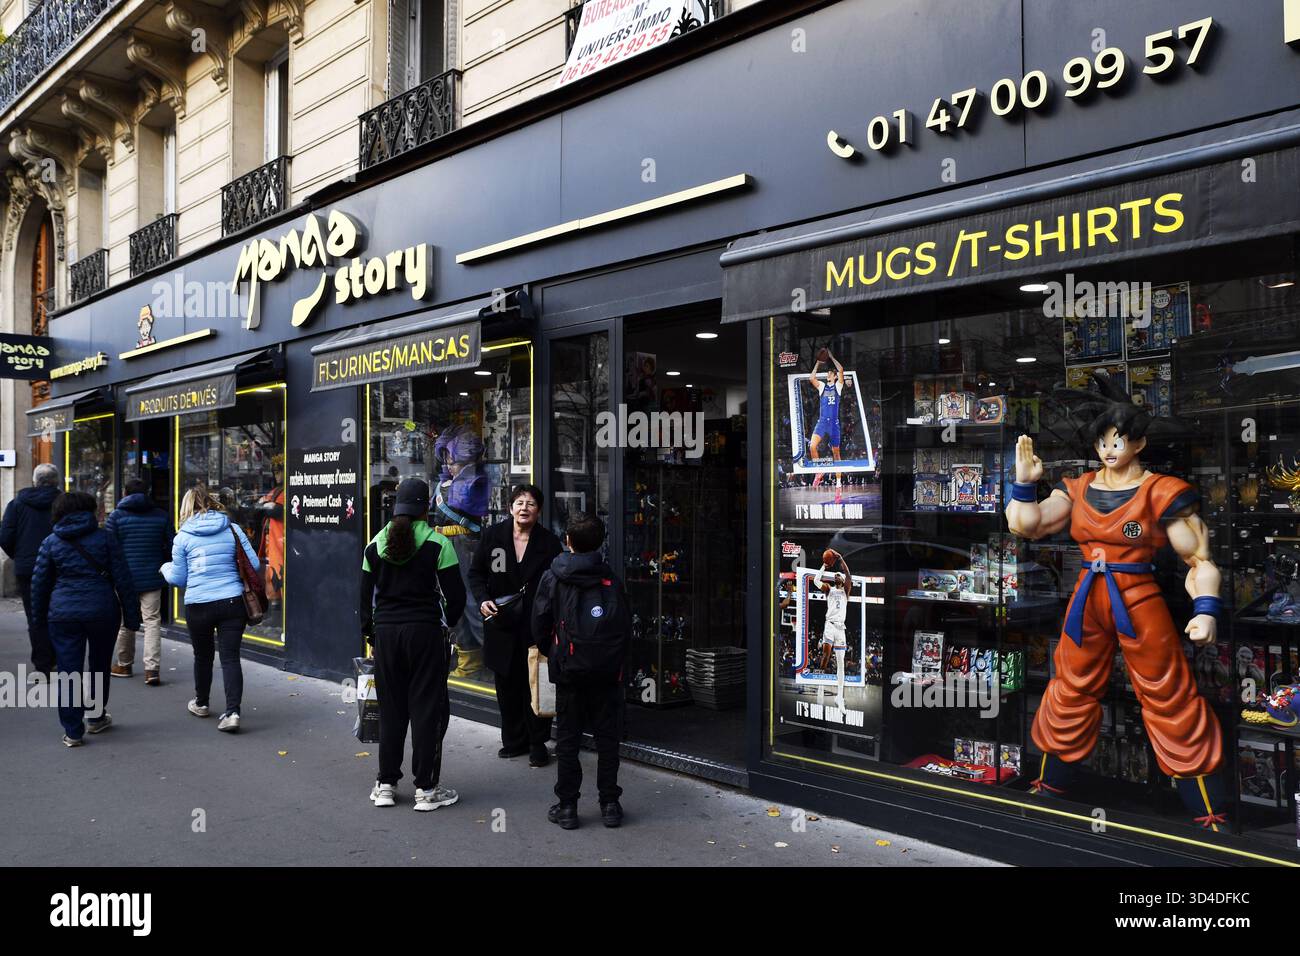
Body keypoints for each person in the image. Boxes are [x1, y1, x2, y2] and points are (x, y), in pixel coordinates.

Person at [1006, 370, 1228, 830]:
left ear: (1139, 443)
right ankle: (1049, 788)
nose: (1108, 450)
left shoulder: (1161, 491)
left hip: (1139, 597)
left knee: (1168, 693)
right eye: (1102, 441)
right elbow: (1026, 525)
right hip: (1089, 598)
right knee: (1069, 687)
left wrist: (1205, 611)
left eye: (1118, 440)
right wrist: (1024, 484)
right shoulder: (1079, 488)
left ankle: (1210, 811)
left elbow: (1199, 560)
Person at [360, 478, 466, 811]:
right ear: (426, 507)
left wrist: (372, 636)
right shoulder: (438, 544)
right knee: (426, 710)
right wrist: (445, 623)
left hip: (387, 636)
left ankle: (386, 784)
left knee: (391, 710)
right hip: (425, 634)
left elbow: (364, 603)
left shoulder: (374, 545)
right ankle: (426, 790)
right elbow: (458, 597)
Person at [533, 513, 631, 830]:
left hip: (570, 671)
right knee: (607, 739)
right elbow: (627, 626)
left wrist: (557, 653)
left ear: (568, 542)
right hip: (607, 672)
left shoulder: (554, 576)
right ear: (601, 543)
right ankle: (610, 804)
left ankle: (567, 807)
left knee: (568, 740)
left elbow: (539, 622)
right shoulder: (611, 578)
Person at [29, 491, 140, 746]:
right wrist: (132, 618)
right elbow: (123, 580)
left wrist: (38, 621)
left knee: (69, 670)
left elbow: (39, 585)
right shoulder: (105, 539)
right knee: (100, 665)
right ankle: (96, 716)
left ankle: (72, 731)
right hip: (102, 610)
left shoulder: (51, 542)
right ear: (91, 511)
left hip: (63, 614)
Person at [469, 484, 564, 766]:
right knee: (507, 685)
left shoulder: (549, 543)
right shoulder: (493, 536)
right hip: (501, 622)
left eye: (531, 503)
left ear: (539, 510)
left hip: (536, 624)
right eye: (519, 502)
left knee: (535, 685)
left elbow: (558, 583)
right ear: (510, 507)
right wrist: (483, 598)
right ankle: (513, 741)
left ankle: (538, 743)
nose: (524, 508)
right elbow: (476, 574)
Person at [163, 484, 260, 733]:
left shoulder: (182, 536)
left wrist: (164, 569)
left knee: (202, 656)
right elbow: (255, 565)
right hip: (232, 601)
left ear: (186, 507)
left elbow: (179, 579)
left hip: (198, 604)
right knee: (230, 658)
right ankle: (233, 712)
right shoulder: (232, 528)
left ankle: (202, 703)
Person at [105, 478, 173, 684]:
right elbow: (171, 545)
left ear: (125, 493)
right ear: (148, 492)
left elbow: (108, 549)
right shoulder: (161, 516)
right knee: (152, 620)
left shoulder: (116, 516)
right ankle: (152, 670)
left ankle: (124, 665)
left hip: (124, 578)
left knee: (126, 621)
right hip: (152, 576)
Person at [0, 463, 61, 681]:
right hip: (59, 566)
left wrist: (20, 556)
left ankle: (42, 664)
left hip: (28, 568)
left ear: (35, 481)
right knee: (59, 613)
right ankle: (59, 658)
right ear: (56, 481)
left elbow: (5, 536)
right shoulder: (63, 502)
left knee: (36, 617)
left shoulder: (17, 504)